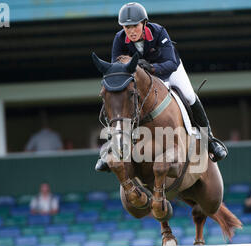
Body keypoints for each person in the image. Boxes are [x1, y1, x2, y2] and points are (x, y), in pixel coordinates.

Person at [95, 2, 227, 172]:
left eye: (135, 26)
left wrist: (151, 68)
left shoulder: (158, 32)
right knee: (117, 98)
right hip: (141, 78)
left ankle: (210, 141)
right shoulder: (119, 38)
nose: (131, 31)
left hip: (168, 71)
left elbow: (171, 63)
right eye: (127, 27)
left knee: (188, 95)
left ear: (144, 23)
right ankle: (112, 147)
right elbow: (117, 68)